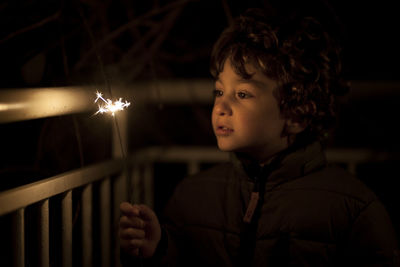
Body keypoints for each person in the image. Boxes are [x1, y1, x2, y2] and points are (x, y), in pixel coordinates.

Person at [119, 6, 399, 267]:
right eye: (219, 91)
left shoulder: (354, 212)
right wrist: (158, 248)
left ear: (297, 114)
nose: (221, 107)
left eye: (242, 94)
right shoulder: (191, 198)